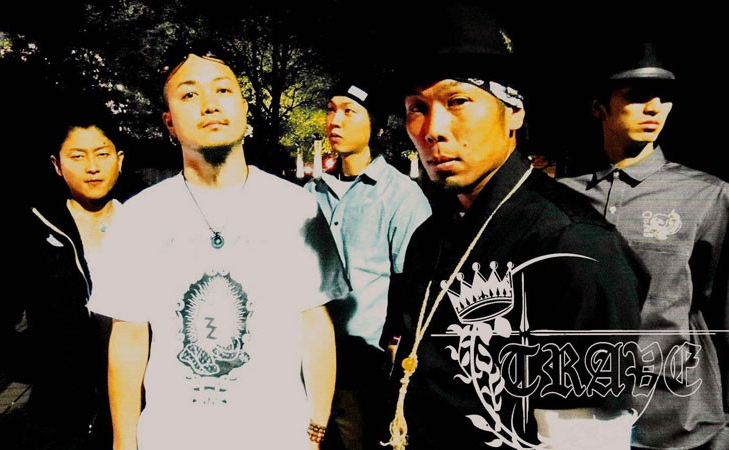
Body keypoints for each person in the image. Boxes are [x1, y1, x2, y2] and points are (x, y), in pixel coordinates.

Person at [379, 4, 651, 450]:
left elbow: (585, 439)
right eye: (416, 108)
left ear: (514, 111)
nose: (432, 129)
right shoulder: (430, 236)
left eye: (457, 101)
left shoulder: (575, 245)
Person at [86, 43, 348, 450]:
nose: (209, 104)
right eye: (189, 94)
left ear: (244, 109)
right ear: (169, 123)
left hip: (277, 438)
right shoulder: (139, 217)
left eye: (223, 90)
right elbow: (128, 338)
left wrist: (315, 431)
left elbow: (314, 325)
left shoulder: (296, 208)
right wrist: (124, 442)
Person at [559, 39, 729, 450]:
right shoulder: (561, 198)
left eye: (664, 98)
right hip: (582, 415)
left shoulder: (706, 195)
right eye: (636, 96)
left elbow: (719, 311)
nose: (654, 108)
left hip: (678, 422)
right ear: (599, 107)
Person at [0, 105, 127, 450]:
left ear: (120, 159)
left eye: (102, 153)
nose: (92, 166)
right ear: (57, 164)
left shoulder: (150, 221)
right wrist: (50, 368)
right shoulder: (31, 231)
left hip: (142, 405)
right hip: (62, 421)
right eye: (77, 156)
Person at [303, 78, 431, 450]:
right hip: (308, 361)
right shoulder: (309, 193)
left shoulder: (401, 195)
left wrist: (396, 346)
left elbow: (415, 283)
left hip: (366, 367)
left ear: (374, 124)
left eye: (349, 111)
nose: (335, 121)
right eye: (331, 110)